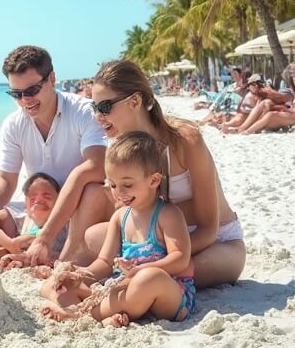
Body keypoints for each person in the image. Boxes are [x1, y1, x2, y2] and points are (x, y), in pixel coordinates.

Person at [87, 60, 245, 289]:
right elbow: (127, 219)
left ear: (135, 101)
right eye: (94, 108)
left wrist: (156, 261)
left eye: (104, 108)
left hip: (214, 242)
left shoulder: (184, 140)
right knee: (94, 236)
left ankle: (151, 280)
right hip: (158, 242)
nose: (97, 116)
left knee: (165, 274)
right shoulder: (120, 151)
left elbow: (209, 228)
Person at [0, 46, 110, 267]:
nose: (25, 100)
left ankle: (65, 257)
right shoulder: (14, 124)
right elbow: (6, 179)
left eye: (31, 90)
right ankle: (32, 253)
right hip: (43, 204)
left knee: (94, 190)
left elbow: (97, 166)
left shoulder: (83, 111)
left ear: (52, 78)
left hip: (82, 207)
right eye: (16, 94)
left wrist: (45, 237)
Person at [40, 132, 194, 326]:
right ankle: (102, 314)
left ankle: (82, 314)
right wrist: (81, 273)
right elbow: (104, 262)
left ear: (154, 181)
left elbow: (180, 259)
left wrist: (139, 269)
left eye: (127, 185)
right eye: (112, 184)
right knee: (56, 283)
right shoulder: (120, 217)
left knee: (148, 279)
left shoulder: (168, 214)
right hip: (124, 288)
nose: (119, 192)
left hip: (168, 295)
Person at [0, 172, 59, 265]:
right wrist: (11, 244)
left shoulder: (63, 223)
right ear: (26, 205)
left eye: (47, 196)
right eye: (33, 198)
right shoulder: (24, 218)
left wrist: (25, 240)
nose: (39, 199)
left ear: (59, 201)